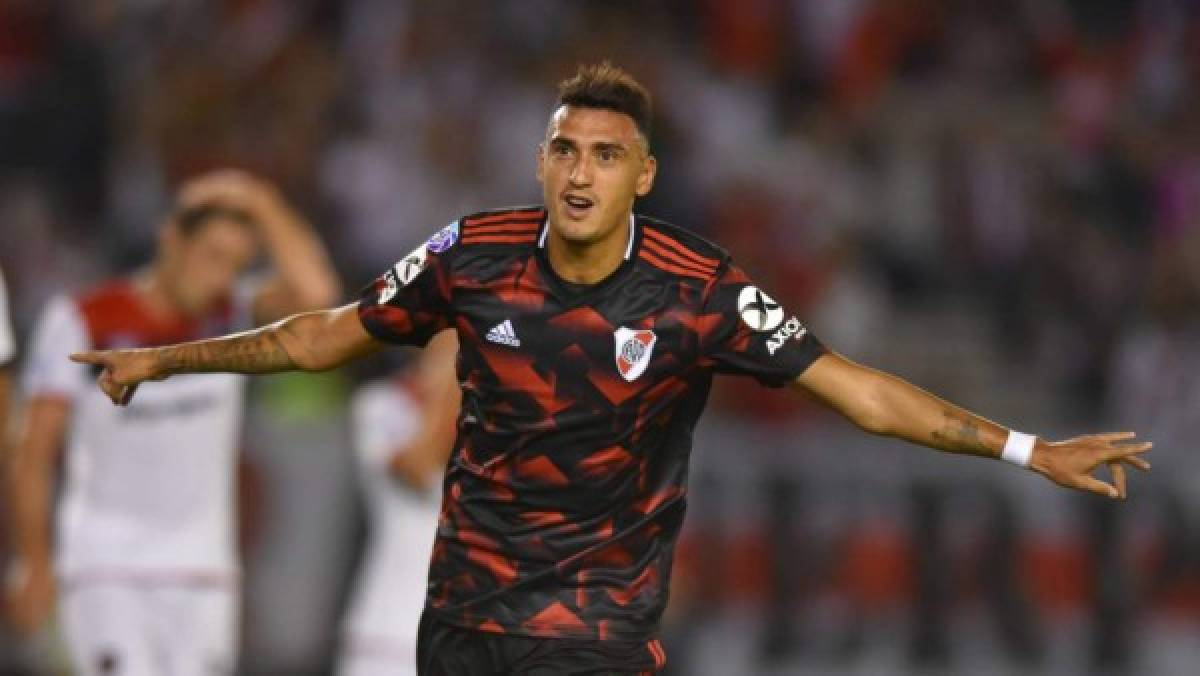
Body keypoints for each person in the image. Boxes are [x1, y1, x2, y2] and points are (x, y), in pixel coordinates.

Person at [71, 64, 1151, 675]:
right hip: (461, 627)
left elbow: (858, 392)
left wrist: (1027, 448)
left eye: (605, 154)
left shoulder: (699, 288)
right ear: (542, 160)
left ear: (644, 174)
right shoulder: (469, 255)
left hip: (593, 631)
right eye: (564, 150)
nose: (580, 172)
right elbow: (322, 335)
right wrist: (163, 358)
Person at [5, 170, 340, 674]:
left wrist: (262, 200)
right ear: (171, 239)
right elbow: (33, 450)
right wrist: (31, 558)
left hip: (203, 572)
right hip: (107, 568)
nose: (221, 278)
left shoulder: (234, 316)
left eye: (236, 265)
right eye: (212, 257)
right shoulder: (84, 320)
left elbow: (318, 296)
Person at [339, 329, 459, 676]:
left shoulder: (493, 422)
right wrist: (455, 381)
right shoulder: (380, 404)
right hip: (387, 639)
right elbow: (418, 468)